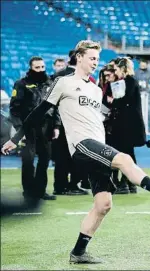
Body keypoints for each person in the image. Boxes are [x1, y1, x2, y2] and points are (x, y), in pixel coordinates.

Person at [1, 40, 150, 264]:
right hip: (81, 145)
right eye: (92, 58)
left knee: (103, 205)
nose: (95, 63)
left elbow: (100, 117)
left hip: (97, 145)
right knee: (125, 159)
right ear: (79, 57)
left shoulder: (94, 88)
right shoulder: (63, 82)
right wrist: (16, 138)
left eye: (97, 59)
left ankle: (78, 253)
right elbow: (38, 113)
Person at [10, 56, 59, 201]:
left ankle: (40, 191)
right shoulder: (21, 84)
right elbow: (14, 109)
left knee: (44, 160)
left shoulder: (50, 84)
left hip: (46, 127)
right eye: (37, 68)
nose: (40, 70)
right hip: (27, 128)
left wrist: (56, 126)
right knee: (28, 161)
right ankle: (29, 191)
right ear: (31, 68)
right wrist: (20, 130)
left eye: (43, 67)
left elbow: (55, 107)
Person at [103, 58, 145, 194]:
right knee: (125, 152)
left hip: (129, 124)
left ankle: (126, 182)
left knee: (126, 152)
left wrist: (113, 101)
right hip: (123, 123)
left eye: (116, 69)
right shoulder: (122, 82)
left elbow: (124, 100)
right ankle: (128, 182)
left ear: (123, 69)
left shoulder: (130, 82)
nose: (114, 72)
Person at [51, 50, 89, 196]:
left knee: (62, 156)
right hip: (71, 121)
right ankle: (71, 185)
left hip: (61, 122)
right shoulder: (75, 77)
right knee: (72, 154)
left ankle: (60, 185)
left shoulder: (58, 75)